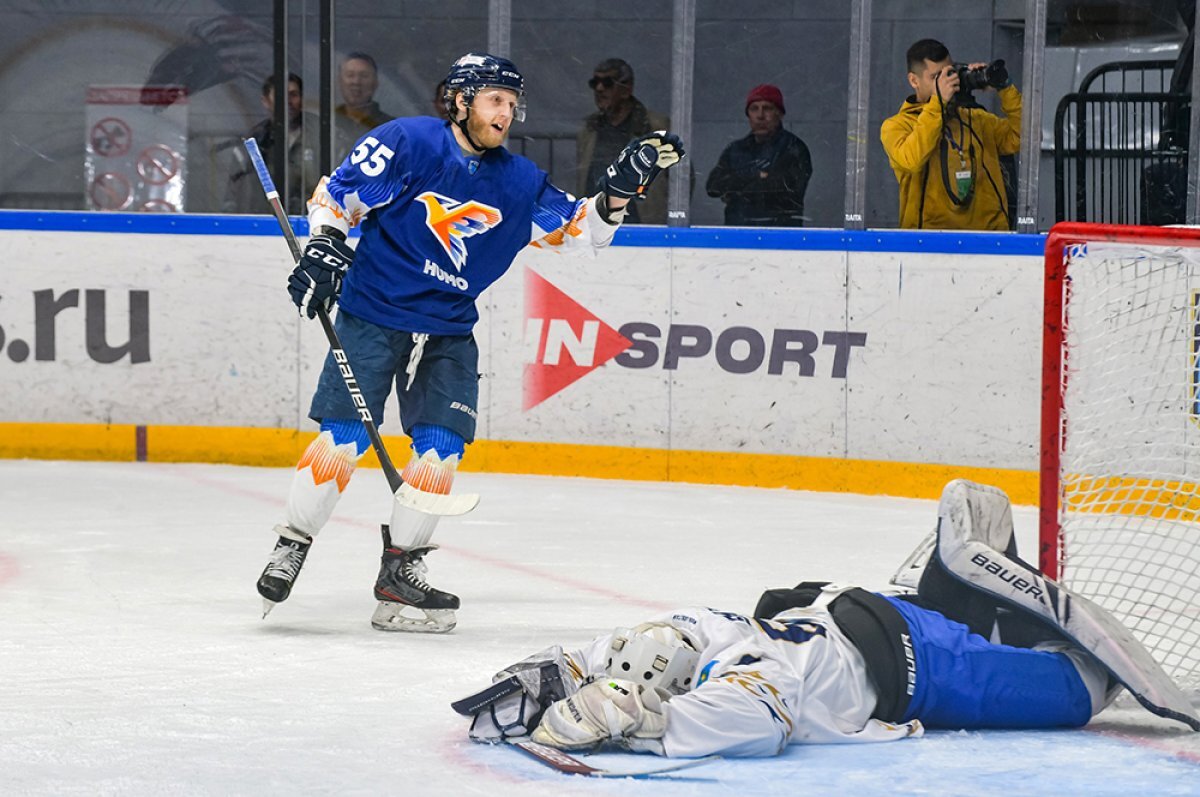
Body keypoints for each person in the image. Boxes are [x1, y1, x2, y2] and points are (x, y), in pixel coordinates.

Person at [255, 52, 686, 634]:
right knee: (344, 440)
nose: (505, 113)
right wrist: (326, 247)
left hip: (450, 327)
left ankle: (399, 577)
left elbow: (581, 234)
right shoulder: (407, 142)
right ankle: (293, 543)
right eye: (494, 100)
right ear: (459, 101)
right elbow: (336, 197)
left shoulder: (519, 181)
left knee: (439, 450)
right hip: (374, 313)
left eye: (512, 103)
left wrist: (619, 191)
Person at [455, 479, 1199, 757]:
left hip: (925, 664)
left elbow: (751, 718)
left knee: (1085, 687)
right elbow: (656, 639)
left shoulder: (753, 675)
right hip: (871, 612)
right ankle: (972, 588)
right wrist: (572, 667)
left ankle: (993, 604)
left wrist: (643, 726)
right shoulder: (722, 637)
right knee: (973, 511)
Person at [880, 39, 1021, 231]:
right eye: (936, 77)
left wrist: (1004, 88)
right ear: (914, 80)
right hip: (930, 243)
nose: (948, 82)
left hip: (988, 240)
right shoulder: (897, 126)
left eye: (950, 73)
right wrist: (938, 103)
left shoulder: (976, 119)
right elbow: (912, 160)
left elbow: (1022, 137)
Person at [576, 58, 671, 225]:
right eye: (595, 82)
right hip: (595, 225)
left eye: (607, 83)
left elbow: (682, 179)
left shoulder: (656, 126)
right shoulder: (589, 130)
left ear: (627, 89)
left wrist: (660, 214)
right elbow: (583, 177)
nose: (599, 88)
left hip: (642, 228)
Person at [705, 84, 812, 227]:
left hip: (781, 237)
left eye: (767, 108)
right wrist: (758, 175)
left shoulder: (794, 148)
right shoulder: (736, 149)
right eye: (754, 109)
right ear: (748, 115)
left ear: (779, 114)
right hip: (737, 235)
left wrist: (735, 187)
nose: (760, 115)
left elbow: (782, 191)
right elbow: (713, 187)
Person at [225, 73, 319, 214]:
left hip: (312, 222)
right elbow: (233, 194)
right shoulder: (254, 142)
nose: (288, 101)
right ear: (265, 101)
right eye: (280, 95)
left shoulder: (321, 134)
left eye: (293, 95)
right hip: (265, 225)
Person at [335, 51, 394, 158]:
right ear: (339, 81)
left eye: (364, 76)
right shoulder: (327, 124)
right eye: (350, 75)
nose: (356, 82)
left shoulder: (390, 128)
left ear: (376, 83)